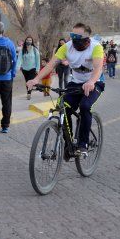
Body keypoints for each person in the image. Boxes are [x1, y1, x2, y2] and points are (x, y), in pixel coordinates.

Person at [27, 22, 105, 155]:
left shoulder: (95, 47)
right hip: (75, 82)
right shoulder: (66, 47)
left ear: (86, 39)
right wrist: (36, 79)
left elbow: (98, 68)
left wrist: (91, 81)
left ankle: (83, 144)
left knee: (85, 106)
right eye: (72, 36)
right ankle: (68, 143)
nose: (73, 39)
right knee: (63, 107)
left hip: (95, 82)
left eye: (77, 37)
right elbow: (50, 65)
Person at [18, 35, 40, 100]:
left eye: (30, 40)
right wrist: (19, 66)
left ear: (32, 41)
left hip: (32, 68)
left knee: (30, 81)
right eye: (27, 40)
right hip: (24, 69)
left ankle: (29, 93)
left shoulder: (35, 50)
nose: (29, 41)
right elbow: (20, 59)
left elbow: (37, 60)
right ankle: (29, 91)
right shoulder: (23, 50)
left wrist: (37, 69)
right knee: (27, 81)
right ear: (25, 41)